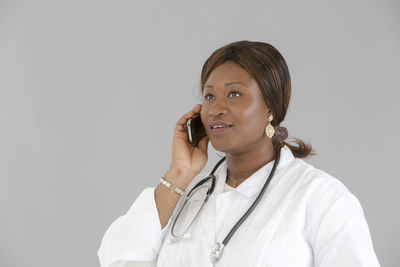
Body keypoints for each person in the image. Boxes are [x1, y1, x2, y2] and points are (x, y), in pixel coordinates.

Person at [97, 41, 380, 267]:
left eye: (234, 94)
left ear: (271, 106)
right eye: (209, 96)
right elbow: (118, 261)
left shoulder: (321, 198)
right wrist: (179, 173)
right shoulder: (191, 198)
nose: (215, 108)